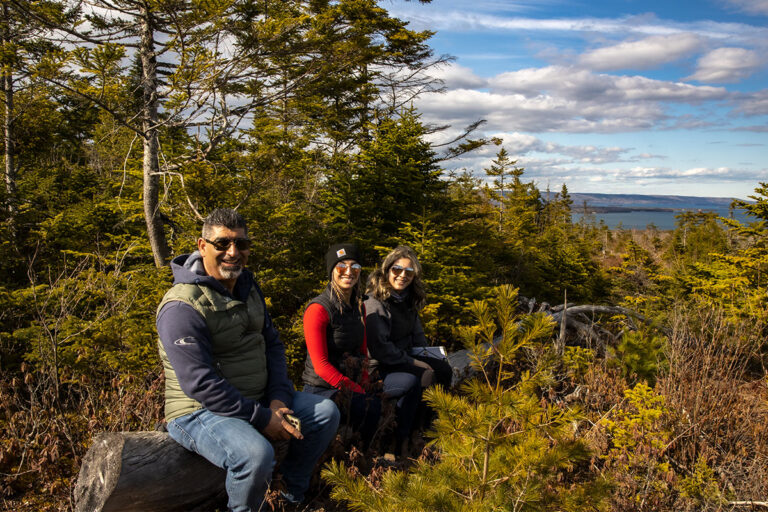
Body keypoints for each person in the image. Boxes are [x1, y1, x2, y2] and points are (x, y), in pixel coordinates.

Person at [156, 208, 339, 512]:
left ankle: (289, 495)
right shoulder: (181, 306)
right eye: (222, 244)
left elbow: (272, 344)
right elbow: (199, 384)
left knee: (325, 413)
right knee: (255, 455)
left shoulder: (247, 286)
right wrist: (262, 418)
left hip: (256, 398)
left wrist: (279, 399)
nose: (233, 252)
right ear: (202, 246)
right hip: (198, 411)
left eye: (241, 244)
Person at [301, 243, 419, 450]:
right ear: (331, 271)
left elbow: (362, 351)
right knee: (365, 406)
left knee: (375, 403)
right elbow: (320, 365)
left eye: (355, 267)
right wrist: (354, 388)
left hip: (351, 380)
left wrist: (364, 381)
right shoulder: (318, 309)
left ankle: (373, 454)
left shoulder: (358, 306)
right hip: (321, 387)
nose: (349, 272)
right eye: (341, 267)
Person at [364, 245, 453, 400]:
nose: (402, 275)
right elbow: (380, 348)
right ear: (387, 270)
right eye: (397, 269)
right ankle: (413, 422)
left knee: (443, 369)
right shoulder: (375, 302)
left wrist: (428, 356)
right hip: (381, 364)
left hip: (402, 357)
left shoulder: (406, 299)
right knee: (426, 376)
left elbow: (417, 335)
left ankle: (435, 419)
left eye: (409, 272)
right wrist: (414, 362)